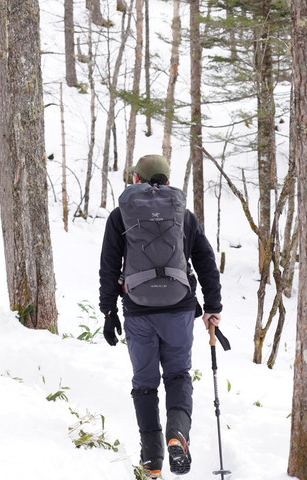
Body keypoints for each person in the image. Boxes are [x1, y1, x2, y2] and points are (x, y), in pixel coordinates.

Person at [98, 154, 222, 478]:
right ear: (167, 180)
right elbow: (206, 261)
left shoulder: (120, 214)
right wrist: (213, 306)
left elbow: (109, 266)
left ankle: (152, 461)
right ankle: (177, 435)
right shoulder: (184, 215)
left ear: (136, 179)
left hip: (138, 312)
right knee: (178, 375)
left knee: (145, 383)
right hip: (179, 309)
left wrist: (109, 311)